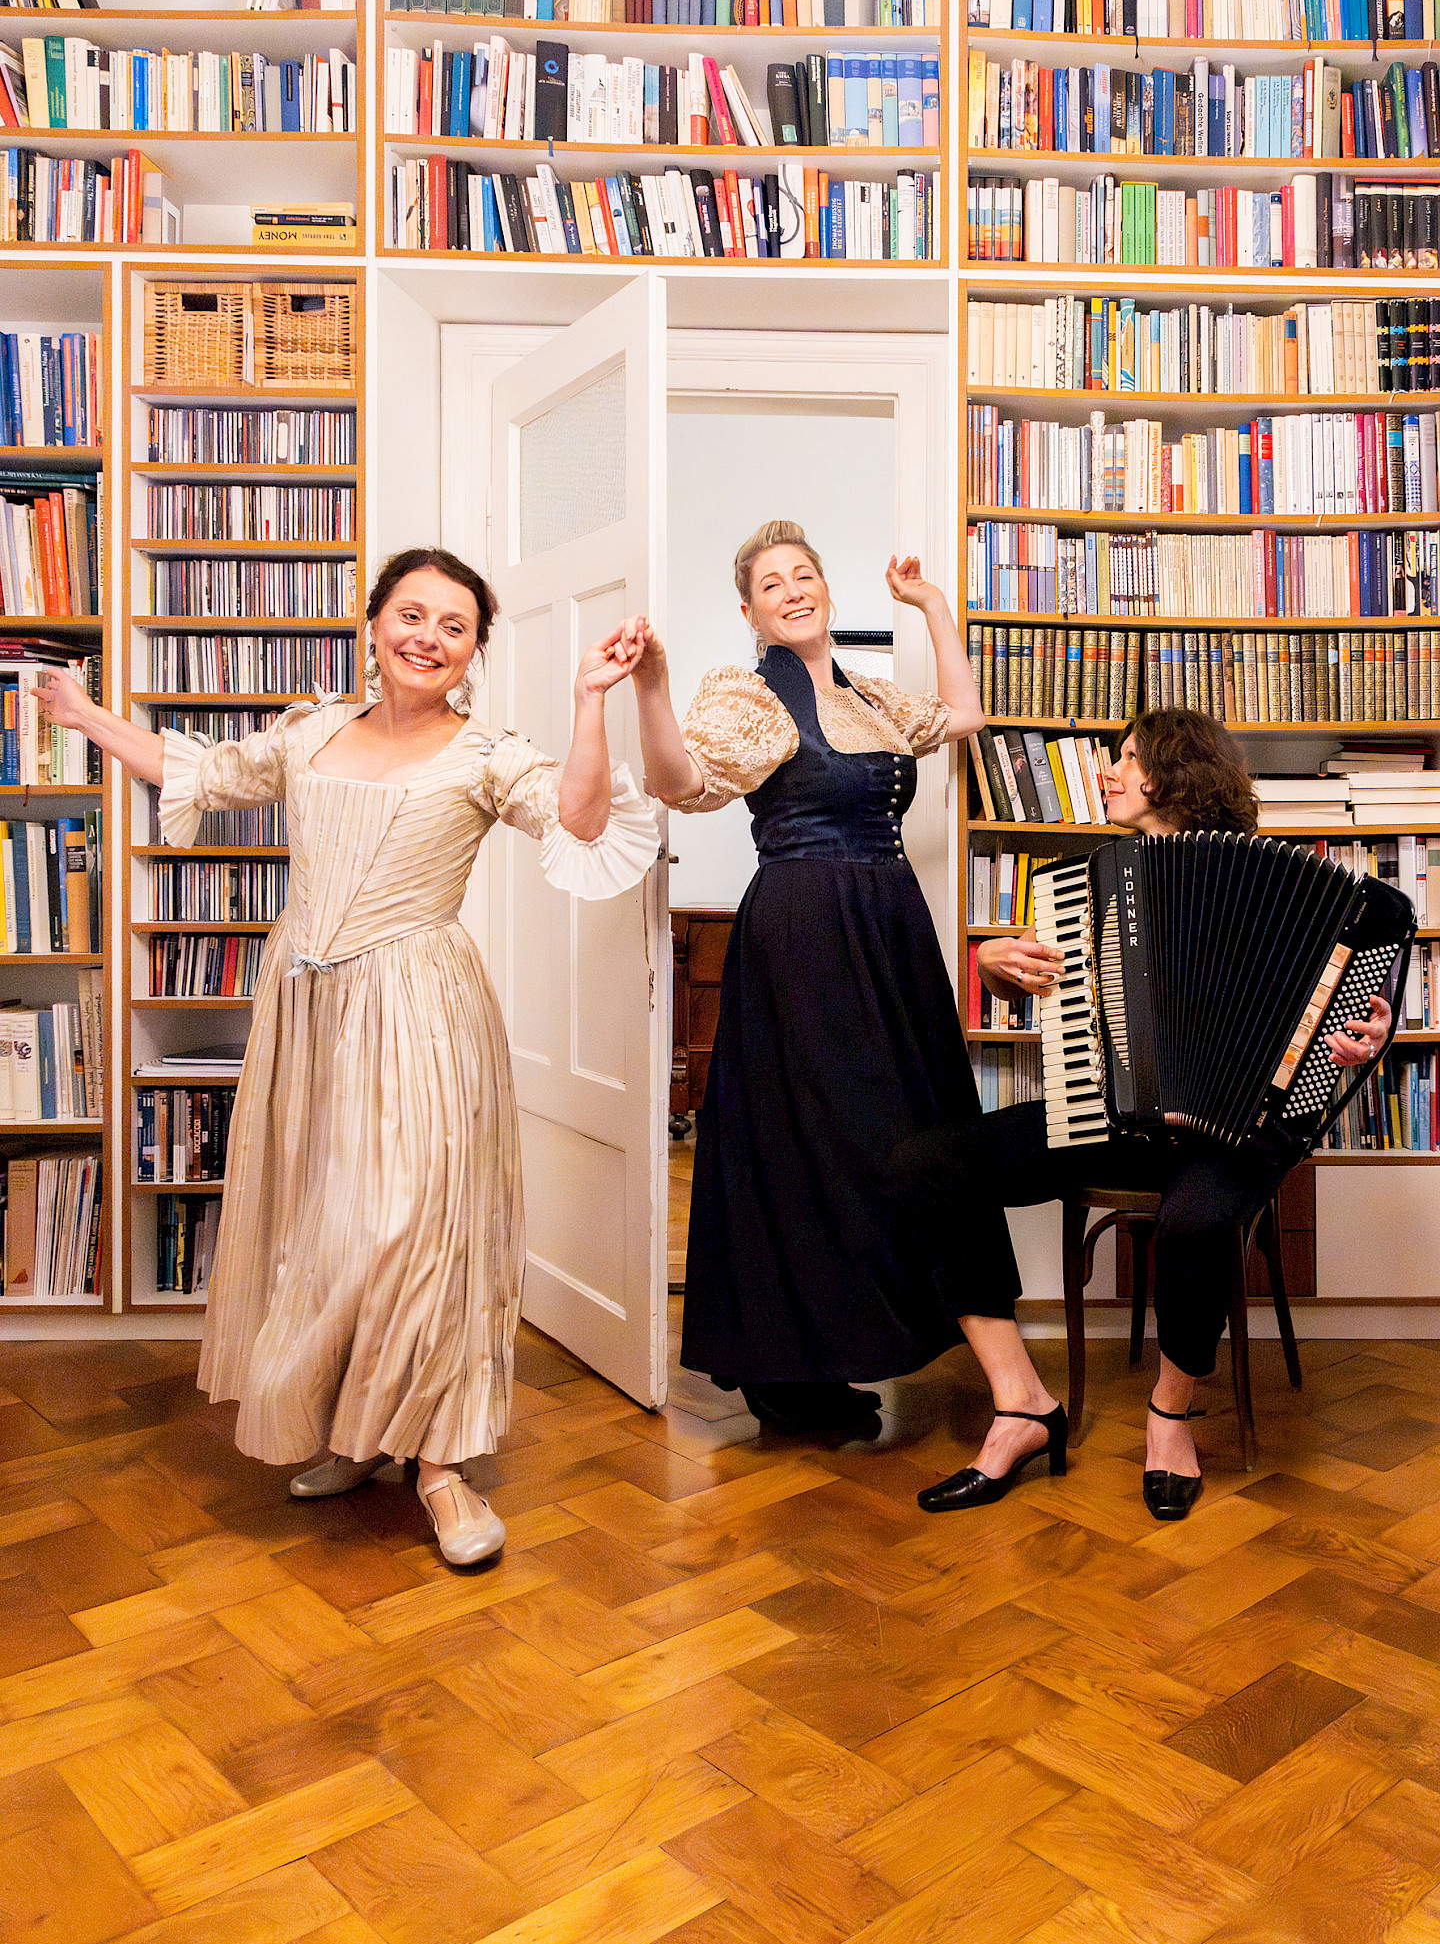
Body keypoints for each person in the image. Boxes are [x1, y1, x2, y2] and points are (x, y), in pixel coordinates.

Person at [38, 547, 659, 1565]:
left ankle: (444, 1467)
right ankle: (361, 1434)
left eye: (453, 626)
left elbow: (583, 816)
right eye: (410, 614)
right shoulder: (312, 731)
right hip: (309, 1011)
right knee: (325, 1231)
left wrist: (592, 700)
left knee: (417, 1229)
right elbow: (200, 772)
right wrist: (85, 716)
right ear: (374, 625)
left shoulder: (487, 754)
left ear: (471, 654)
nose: (427, 636)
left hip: (421, 1004)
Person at [904, 707, 1393, 1521]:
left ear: (1169, 775)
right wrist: (992, 964)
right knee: (922, 1166)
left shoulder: (1282, 876)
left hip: (1240, 1130)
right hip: (1115, 1117)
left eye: (1124, 759)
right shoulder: (1090, 881)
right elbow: (1039, 980)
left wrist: (1367, 1035)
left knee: (1196, 1223)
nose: (1107, 772)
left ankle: (1171, 1414)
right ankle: (1022, 1402)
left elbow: (1355, 1011)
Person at [630, 518, 1023, 1439]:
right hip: (804, 931)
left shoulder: (873, 697)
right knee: (811, 1140)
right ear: (751, 610)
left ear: (828, 591)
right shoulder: (744, 694)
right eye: (773, 582)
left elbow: (962, 716)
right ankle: (792, 1369)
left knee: (906, 1135)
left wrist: (931, 606)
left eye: (805, 574)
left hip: (888, 929)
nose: (794, 589)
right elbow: (679, 780)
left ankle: (862, 1343)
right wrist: (651, 684)